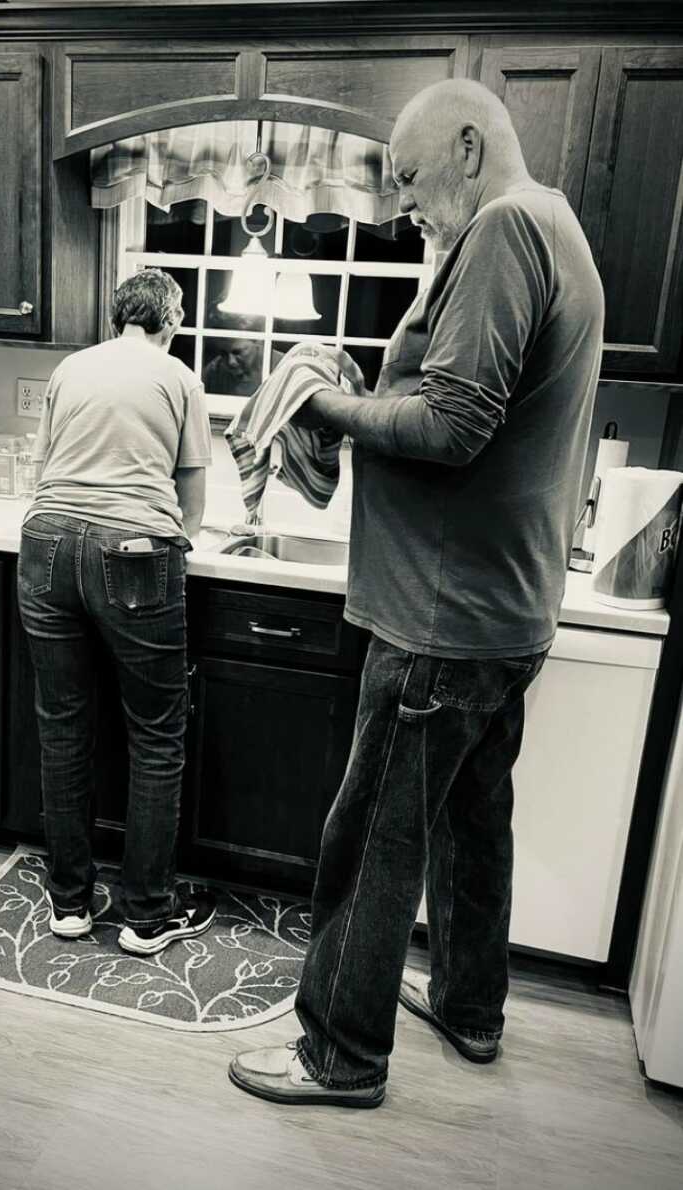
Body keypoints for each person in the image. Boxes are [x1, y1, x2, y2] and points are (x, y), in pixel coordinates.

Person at [229, 77, 605, 1108]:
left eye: (407, 176)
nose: (401, 206)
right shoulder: (557, 225)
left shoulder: (503, 231)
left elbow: (451, 425)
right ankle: (473, 1007)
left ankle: (338, 1053)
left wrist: (329, 404)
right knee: (472, 822)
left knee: (374, 838)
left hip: (441, 617)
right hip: (504, 609)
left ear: (470, 148)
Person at [17, 268, 216, 956]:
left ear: (117, 316)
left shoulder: (71, 368)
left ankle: (69, 906)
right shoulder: (179, 377)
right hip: (134, 549)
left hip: (45, 543)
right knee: (157, 736)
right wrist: (179, 536)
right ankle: (146, 916)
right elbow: (190, 487)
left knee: (64, 730)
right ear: (171, 320)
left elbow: (42, 463)